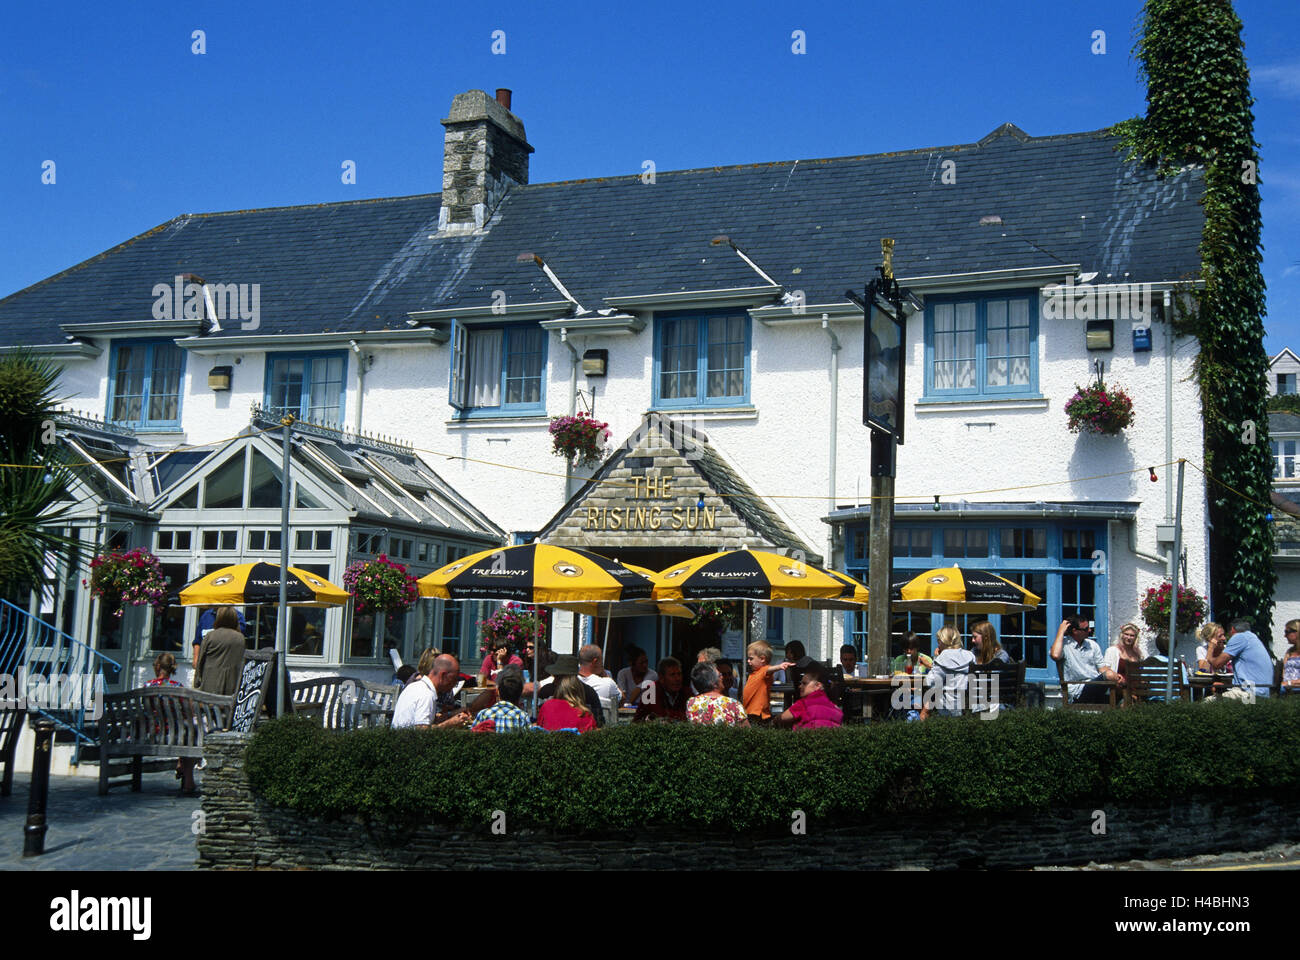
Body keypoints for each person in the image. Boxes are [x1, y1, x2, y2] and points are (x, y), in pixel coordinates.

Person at [392, 654, 474, 729]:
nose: (454, 684)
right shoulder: (426, 694)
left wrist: (452, 714)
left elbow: (427, 722)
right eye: (453, 679)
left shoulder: (416, 686)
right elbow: (421, 731)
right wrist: (449, 724)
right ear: (443, 675)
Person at [1050, 617, 1117, 704]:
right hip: (1077, 689)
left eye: (1089, 627)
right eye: (1086, 629)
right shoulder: (1064, 645)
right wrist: (1061, 632)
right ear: (1075, 631)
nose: (1089, 630)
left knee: (1121, 694)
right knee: (1110, 677)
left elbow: (1102, 668)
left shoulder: (1092, 645)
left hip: (1094, 684)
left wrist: (1116, 676)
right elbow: (1055, 655)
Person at [1204, 619, 1274, 700]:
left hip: (1248, 694)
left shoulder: (1239, 637)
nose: (1226, 638)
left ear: (1233, 629)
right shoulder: (1252, 638)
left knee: (1206, 703)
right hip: (1262, 692)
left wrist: (1210, 651)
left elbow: (1217, 664)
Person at [921, 625, 976, 718]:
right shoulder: (970, 655)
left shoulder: (943, 657)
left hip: (947, 708)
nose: (938, 645)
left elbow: (930, 682)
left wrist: (936, 659)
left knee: (928, 700)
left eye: (938, 641)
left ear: (943, 641)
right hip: (967, 706)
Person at [193, 606, 246, 697]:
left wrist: (197, 681)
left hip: (210, 684)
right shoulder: (240, 638)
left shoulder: (210, 636)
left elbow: (200, 661)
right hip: (231, 687)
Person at [774, 662, 842, 729]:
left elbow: (782, 718)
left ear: (818, 685)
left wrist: (773, 720)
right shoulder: (834, 707)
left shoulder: (803, 703)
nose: (800, 686)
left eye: (804, 683)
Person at [742, 641, 794, 725]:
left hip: (758, 713)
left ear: (762, 659)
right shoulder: (753, 674)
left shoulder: (763, 670)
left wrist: (779, 666)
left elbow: (769, 670)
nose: (748, 661)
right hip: (749, 711)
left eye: (751, 658)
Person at [470, 667, 534, 733]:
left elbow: (472, 736)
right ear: (520, 694)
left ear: (498, 692)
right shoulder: (522, 716)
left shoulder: (483, 714)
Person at [686, 661, 749, 726]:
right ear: (713, 682)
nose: (722, 678)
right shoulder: (733, 704)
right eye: (720, 675)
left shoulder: (691, 702)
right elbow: (747, 732)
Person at [634, 657, 690, 722]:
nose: (677, 679)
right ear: (661, 678)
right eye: (672, 675)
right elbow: (638, 720)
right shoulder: (651, 691)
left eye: (679, 674)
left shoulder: (686, 692)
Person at [577, 644, 622, 725]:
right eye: (601, 660)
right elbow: (622, 699)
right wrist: (605, 674)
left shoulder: (570, 682)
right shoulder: (607, 683)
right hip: (600, 728)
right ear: (595, 662)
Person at [1282, 620, 1300, 692]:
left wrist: (1289, 683)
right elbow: (1284, 673)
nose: (1285, 635)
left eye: (1287, 632)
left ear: (1297, 632)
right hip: (1286, 691)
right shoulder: (1289, 652)